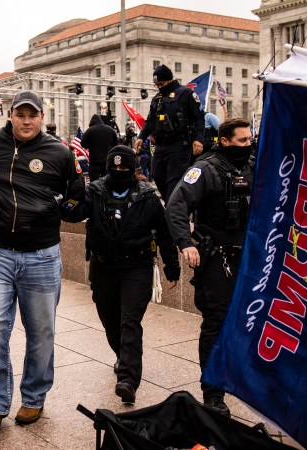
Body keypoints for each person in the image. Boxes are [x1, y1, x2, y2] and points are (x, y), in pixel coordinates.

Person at [0, 90, 85, 430]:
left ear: (41, 117)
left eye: (33, 115)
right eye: (20, 114)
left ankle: (33, 398)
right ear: (10, 115)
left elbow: (77, 199)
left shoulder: (58, 153)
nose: (26, 120)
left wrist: (57, 212)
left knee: (41, 333)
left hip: (42, 256)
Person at [79, 146, 180, 404]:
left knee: (130, 322)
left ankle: (128, 378)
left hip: (137, 267)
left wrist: (172, 267)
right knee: (109, 320)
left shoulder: (148, 196)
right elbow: (74, 212)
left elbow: (165, 234)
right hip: (103, 267)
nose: (119, 172)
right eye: (115, 168)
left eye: (124, 168)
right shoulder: (95, 191)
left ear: (133, 169)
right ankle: (122, 356)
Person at [166, 118, 253, 417]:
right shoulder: (204, 168)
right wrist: (185, 243)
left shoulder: (255, 167)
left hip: (251, 260)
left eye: (249, 139)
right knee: (215, 325)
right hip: (218, 260)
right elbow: (176, 206)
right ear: (225, 141)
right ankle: (213, 393)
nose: (248, 145)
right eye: (242, 141)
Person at [135, 65, 205, 204]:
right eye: (156, 85)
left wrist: (199, 139)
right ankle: (173, 206)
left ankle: (173, 209)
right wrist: (141, 137)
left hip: (179, 145)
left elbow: (199, 117)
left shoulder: (186, 94)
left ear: (169, 80)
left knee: (174, 179)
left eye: (161, 84)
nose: (159, 87)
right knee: (157, 175)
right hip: (161, 146)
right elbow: (150, 120)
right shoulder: (157, 98)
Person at [81, 114, 119, 181]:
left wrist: (91, 145)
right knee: (107, 182)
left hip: (94, 162)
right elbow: (116, 145)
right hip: (107, 161)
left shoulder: (89, 130)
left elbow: (83, 144)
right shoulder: (111, 130)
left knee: (94, 183)